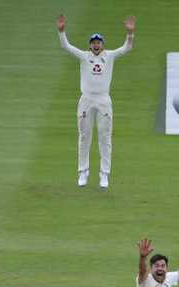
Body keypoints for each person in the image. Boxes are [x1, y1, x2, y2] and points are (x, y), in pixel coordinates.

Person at [56, 14, 136, 189]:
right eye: (93, 42)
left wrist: (130, 33)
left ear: (103, 44)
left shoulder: (110, 56)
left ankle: (104, 174)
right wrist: (61, 31)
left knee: (104, 137)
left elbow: (127, 48)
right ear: (90, 45)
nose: (96, 44)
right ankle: (83, 172)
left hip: (103, 100)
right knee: (84, 136)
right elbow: (66, 46)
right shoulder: (84, 56)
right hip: (86, 99)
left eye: (98, 42)